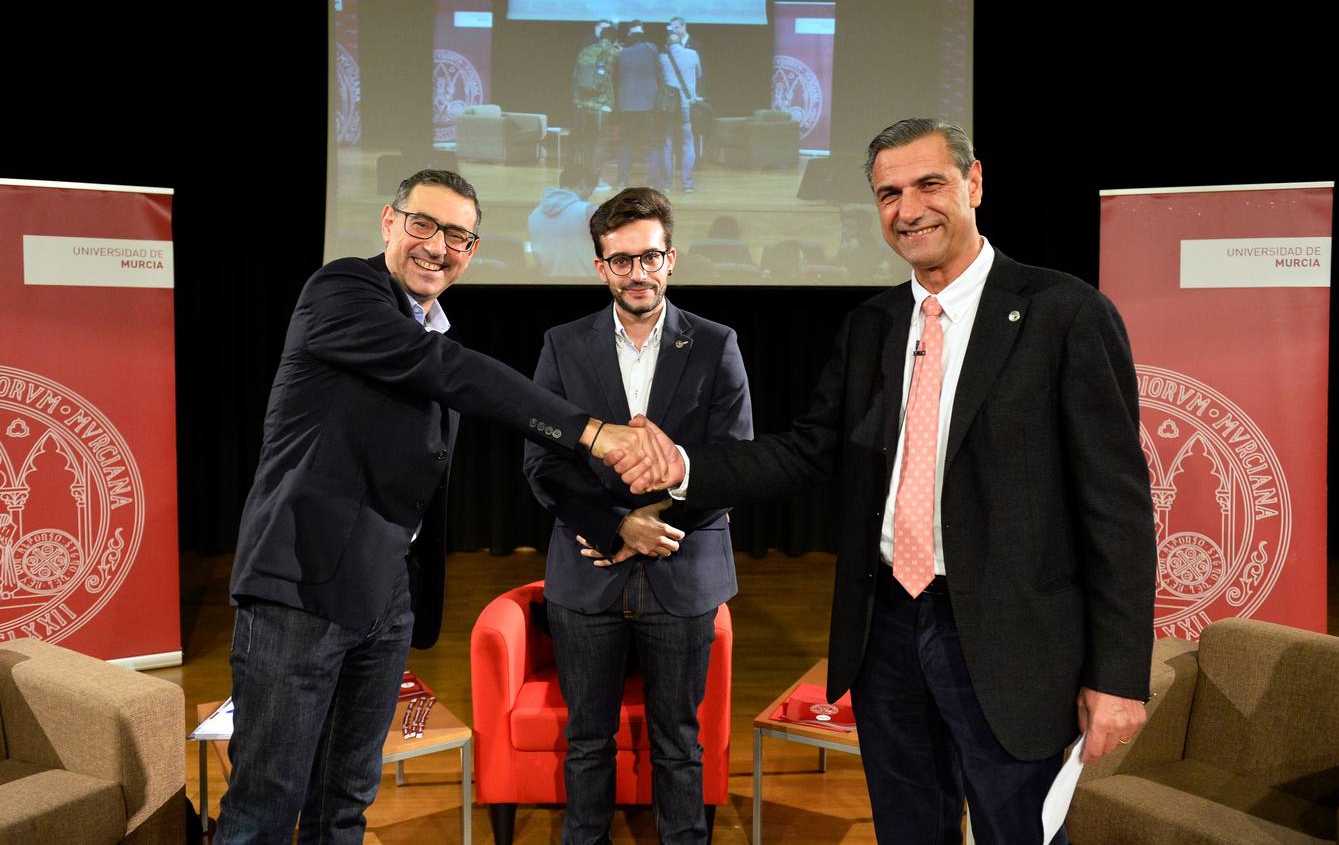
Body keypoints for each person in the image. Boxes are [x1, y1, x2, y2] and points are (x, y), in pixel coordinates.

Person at [608, 119, 1156, 844]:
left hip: (1007, 640)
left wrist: (1119, 675)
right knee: (907, 827)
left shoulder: (1065, 313)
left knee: (1013, 829)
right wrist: (684, 467)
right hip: (888, 629)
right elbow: (809, 451)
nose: (908, 209)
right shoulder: (873, 323)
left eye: (929, 184)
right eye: (888, 194)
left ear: (975, 183)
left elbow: (1118, 509)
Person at [217, 169, 664, 844]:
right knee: (266, 806)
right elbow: (453, 374)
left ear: (473, 250)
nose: (437, 245)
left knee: (346, 799)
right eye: (423, 224)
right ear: (388, 223)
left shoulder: (433, 333)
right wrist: (591, 431)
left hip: (384, 596)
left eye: (458, 234)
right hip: (300, 589)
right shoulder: (341, 290)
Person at [523, 187, 752, 845]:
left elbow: (734, 462)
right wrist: (615, 526)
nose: (637, 273)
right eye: (620, 261)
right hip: (587, 575)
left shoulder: (715, 344)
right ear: (600, 267)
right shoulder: (563, 346)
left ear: (670, 259)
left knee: (679, 744)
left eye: (649, 257)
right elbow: (543, 464)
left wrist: (651, 524)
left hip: (682, 573)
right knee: (587, 741)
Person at [612, 22, 663, 188]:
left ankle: (622, 180)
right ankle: (654, 182)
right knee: (653, 144)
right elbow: (658, 70)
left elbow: (618, 74)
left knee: (626, 143)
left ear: (628, 35)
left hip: (627, 104)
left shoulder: (621, 53)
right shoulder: (652, 48)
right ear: (642, 34)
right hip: (649, 103)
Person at [528, 164, 599, 278]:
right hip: (587, 285)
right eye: (590, 192)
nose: (588, 197)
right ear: (583, 183)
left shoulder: (533, 216)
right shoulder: (587, 211)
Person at [658, 32, 701, 192]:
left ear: (666, 46)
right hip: (686, 105)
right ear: (681, 43)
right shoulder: (693, 54)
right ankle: (687, 184)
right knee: (688, 143)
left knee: (667, 143)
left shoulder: (662, 58)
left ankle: (666, 185)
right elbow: (699, 74)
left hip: (669, 106)